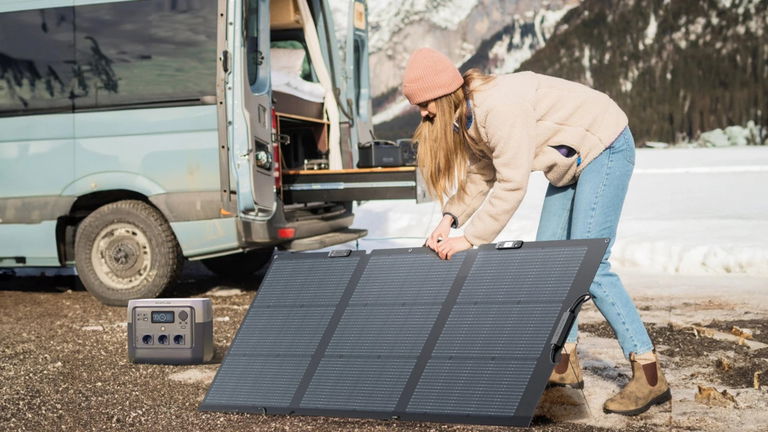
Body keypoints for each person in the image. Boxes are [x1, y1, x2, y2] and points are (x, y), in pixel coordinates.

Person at [402, 47, 671, 416]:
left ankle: (650, 373)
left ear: (443, 93)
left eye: (424, 103)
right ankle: (565, 365)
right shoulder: (468, 117)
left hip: (604, 145)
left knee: (592, 267)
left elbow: (512, 184)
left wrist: (469, 239)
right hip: (569, 162)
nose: (422, 112)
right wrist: (449, 219)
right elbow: (483, 172)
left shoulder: (496, 107)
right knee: (553, 264)